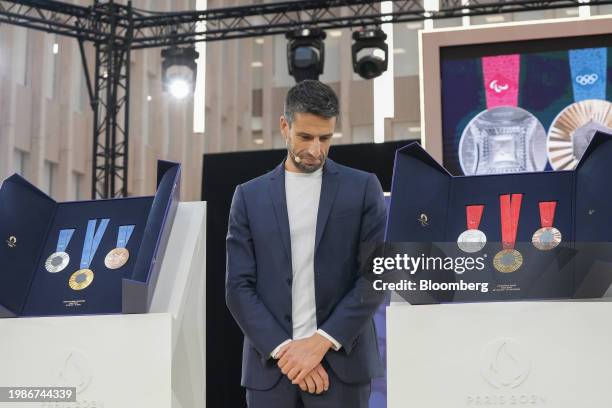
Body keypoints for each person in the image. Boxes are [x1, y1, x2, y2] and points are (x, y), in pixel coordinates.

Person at [226, 79, 386, 407]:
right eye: (305, 137)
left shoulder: (363, 188)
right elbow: (238, 287)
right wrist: (289, 353)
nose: (316, 149)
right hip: (271, 371)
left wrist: (319, 343)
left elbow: (374, 277)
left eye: (325, 138)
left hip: (342, 368)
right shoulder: (248, 196)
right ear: (285, 126)